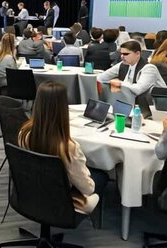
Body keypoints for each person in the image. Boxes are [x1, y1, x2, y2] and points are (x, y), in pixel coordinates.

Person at [18, 81, 108, 214]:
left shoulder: (24, 133)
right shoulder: (68, 147)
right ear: (63, 107)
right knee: (101, 177)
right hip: (62, 198)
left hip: (33, 189)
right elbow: (87, 189)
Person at [97, 40, 167, 97]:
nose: (122, 56)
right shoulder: (123, 64)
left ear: (137, 54)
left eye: (126, 54)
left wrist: (119, 83)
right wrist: (113, 83)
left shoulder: (149, 69)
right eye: (121, 54)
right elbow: (100, 78)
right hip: (136, 102)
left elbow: (138, 89)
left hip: (157, 106)